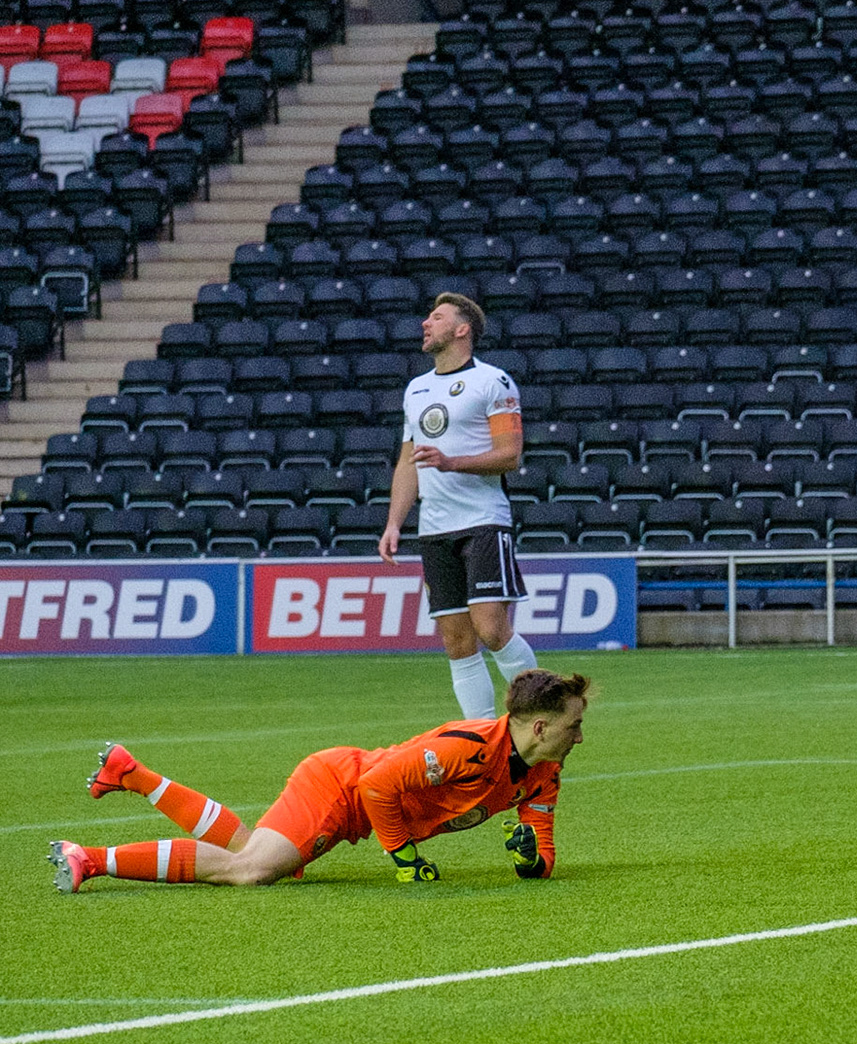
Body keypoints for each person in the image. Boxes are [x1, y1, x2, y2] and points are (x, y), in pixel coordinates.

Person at [48, 670, 591, 892]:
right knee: (251, 870)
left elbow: (543, 847)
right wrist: (405, 860)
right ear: (541, 727)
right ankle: (90, 859)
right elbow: (378, 786)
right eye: (574, 726)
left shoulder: (545, 772)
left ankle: (131, 773)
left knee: (246, 849)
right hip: (338, 788)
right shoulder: (467, 749)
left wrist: (528, 861)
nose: (580, 737)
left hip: (349, 803)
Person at [380, 291, 539, 720]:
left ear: (461, 329)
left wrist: (452, 463)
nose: (425, 324)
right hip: (434, 528)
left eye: (437, 317)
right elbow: (407, 463)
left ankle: (547, 709)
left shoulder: (494, 382)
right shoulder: (417, 389)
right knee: (456, 639)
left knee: (490, 627)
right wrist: (395, 522)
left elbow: (510, 455)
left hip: (484, 521)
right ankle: (483, 740)